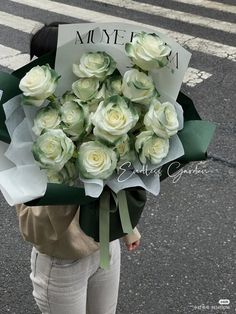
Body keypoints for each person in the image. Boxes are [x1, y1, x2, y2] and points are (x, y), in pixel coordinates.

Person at [15, 23, 141, 314]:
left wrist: (127, 225)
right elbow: (32, 222)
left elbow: (116, 178)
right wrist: (69, 173)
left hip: (105, 246)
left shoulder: (97, 112)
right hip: (62, 261)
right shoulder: (28, 129)